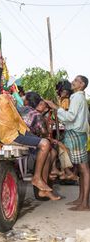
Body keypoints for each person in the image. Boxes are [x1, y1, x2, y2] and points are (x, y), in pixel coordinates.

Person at [0, 77, 56, 200]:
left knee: (50, 151)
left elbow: (16, 113)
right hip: (10, 136)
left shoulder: (4, 98)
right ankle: (37, 178)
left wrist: (27, 129)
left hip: (21, 129)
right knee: (45, 144)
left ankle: (42, 189)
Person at [46, 75, 90, 211]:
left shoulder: (77, 97)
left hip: (76, 134)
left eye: (76, 80)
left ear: (82, 85)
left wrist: (56, 108)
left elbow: (70, 117)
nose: (73, 82)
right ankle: (81, 199)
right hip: (77, 134)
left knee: (84, 169)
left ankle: (85, 203)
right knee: (82, 169)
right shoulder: (78, 97)